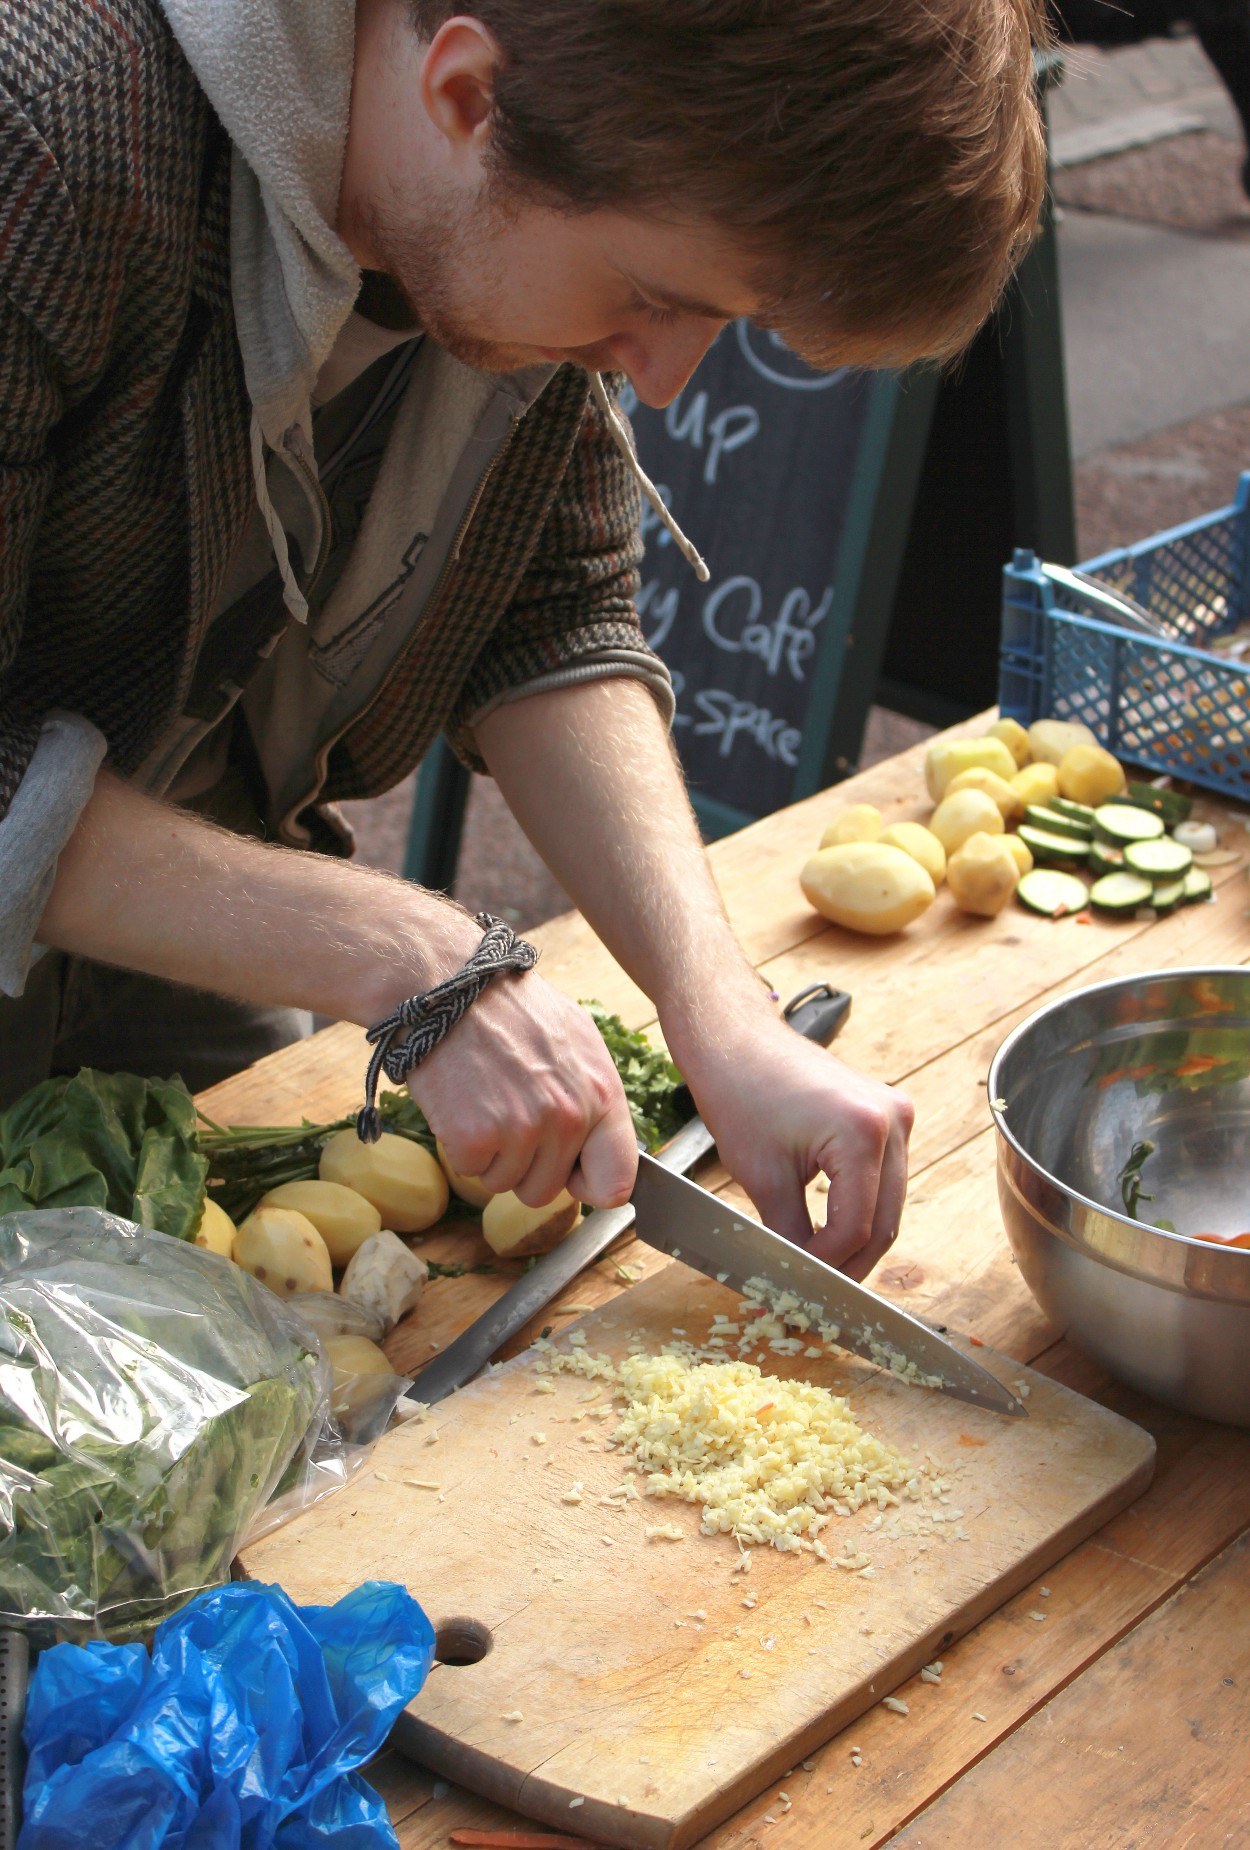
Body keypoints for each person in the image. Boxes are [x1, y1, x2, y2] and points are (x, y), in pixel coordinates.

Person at [0, 0, 1046, 1279]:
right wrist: (411, 956)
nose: (660, 378)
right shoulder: (37, 129)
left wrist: (715, 1009)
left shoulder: (524, 172)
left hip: (177, 909)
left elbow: (548, 605)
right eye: (653, 298)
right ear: (464, 93)